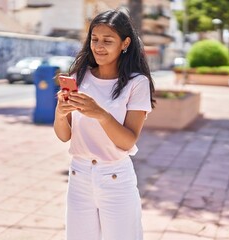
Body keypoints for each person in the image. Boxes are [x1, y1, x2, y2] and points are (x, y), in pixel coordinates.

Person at [53, 9, 155, 240]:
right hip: (79, 176)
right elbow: (64, 136)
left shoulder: (137, 83)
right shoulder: (79, 76)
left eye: (108, 41)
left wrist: (100, 114)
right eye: (94, 39)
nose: (99, 46)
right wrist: (60, 113)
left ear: (125, 43)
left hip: (115, 178)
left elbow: (128, 140)